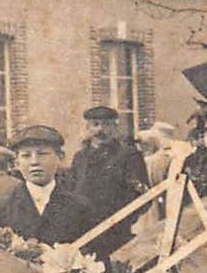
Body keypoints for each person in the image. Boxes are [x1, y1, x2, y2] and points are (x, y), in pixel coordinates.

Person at [0, 124, 98, 244]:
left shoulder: (80, 207)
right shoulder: (2, 207)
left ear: (60, 157)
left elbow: (94, 256)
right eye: (26, 156)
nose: (34, 162)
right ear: (17, 163)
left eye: (42, 154)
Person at [63, 105, 148, 261]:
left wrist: (124, 220)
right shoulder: (80, 157)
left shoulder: (129, 155)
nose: (101, 130)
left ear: (115, 127)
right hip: (84, 232)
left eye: (107, 124)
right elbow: (71, 191)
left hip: (116, 232)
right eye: (95, 124)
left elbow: (143, 196)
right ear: (88, 128)